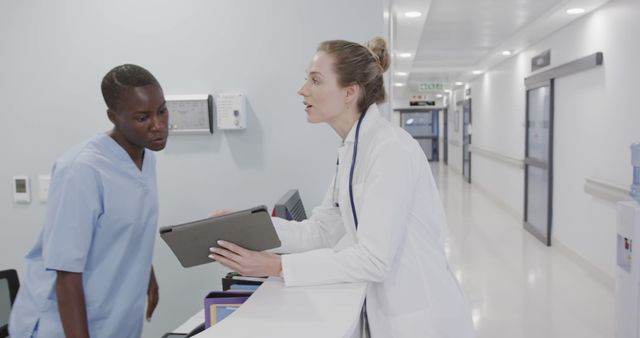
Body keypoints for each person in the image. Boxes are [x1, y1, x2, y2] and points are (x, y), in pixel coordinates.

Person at [208, 37, 475, 338]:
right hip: (388, 315)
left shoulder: (390, 150)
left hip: (423, 320)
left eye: (315, 80)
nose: (302, 89)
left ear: (350, 92)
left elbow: (374, 259)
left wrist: (278, 266)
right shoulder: (352, 150)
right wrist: (252, 226)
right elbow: (323, 230)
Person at [9, 64, 169, 338]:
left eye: (162, 110)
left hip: (116, 313)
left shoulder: (145, 158)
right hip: (62, 325)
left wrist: (146, 273)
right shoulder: (81, 170)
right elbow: (66, 272)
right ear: (113, 117)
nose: (158, 125)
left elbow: (125, 226)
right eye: (142, 118)